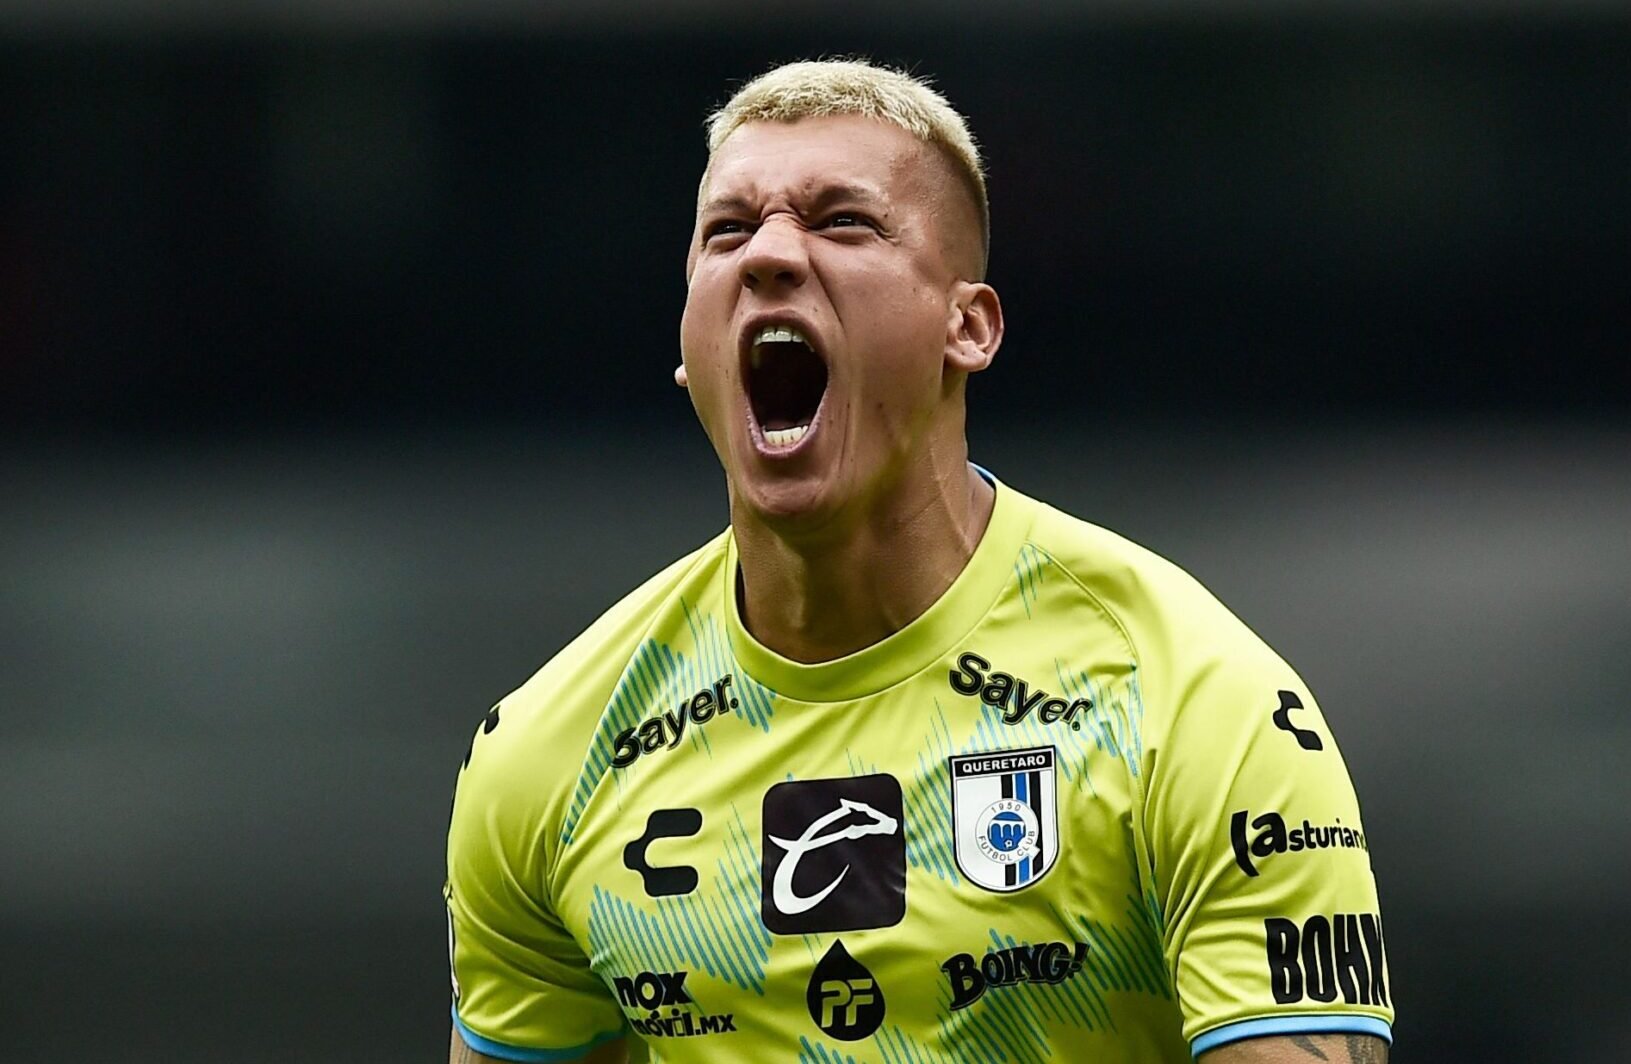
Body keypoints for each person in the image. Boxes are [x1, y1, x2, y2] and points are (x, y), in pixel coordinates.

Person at [445, 59, 1393, 1064]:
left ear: (968, 326)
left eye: (841, 222)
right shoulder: (550, 752)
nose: (768, 254)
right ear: (688, 346)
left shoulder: (1191, 703)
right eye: (727, 231)